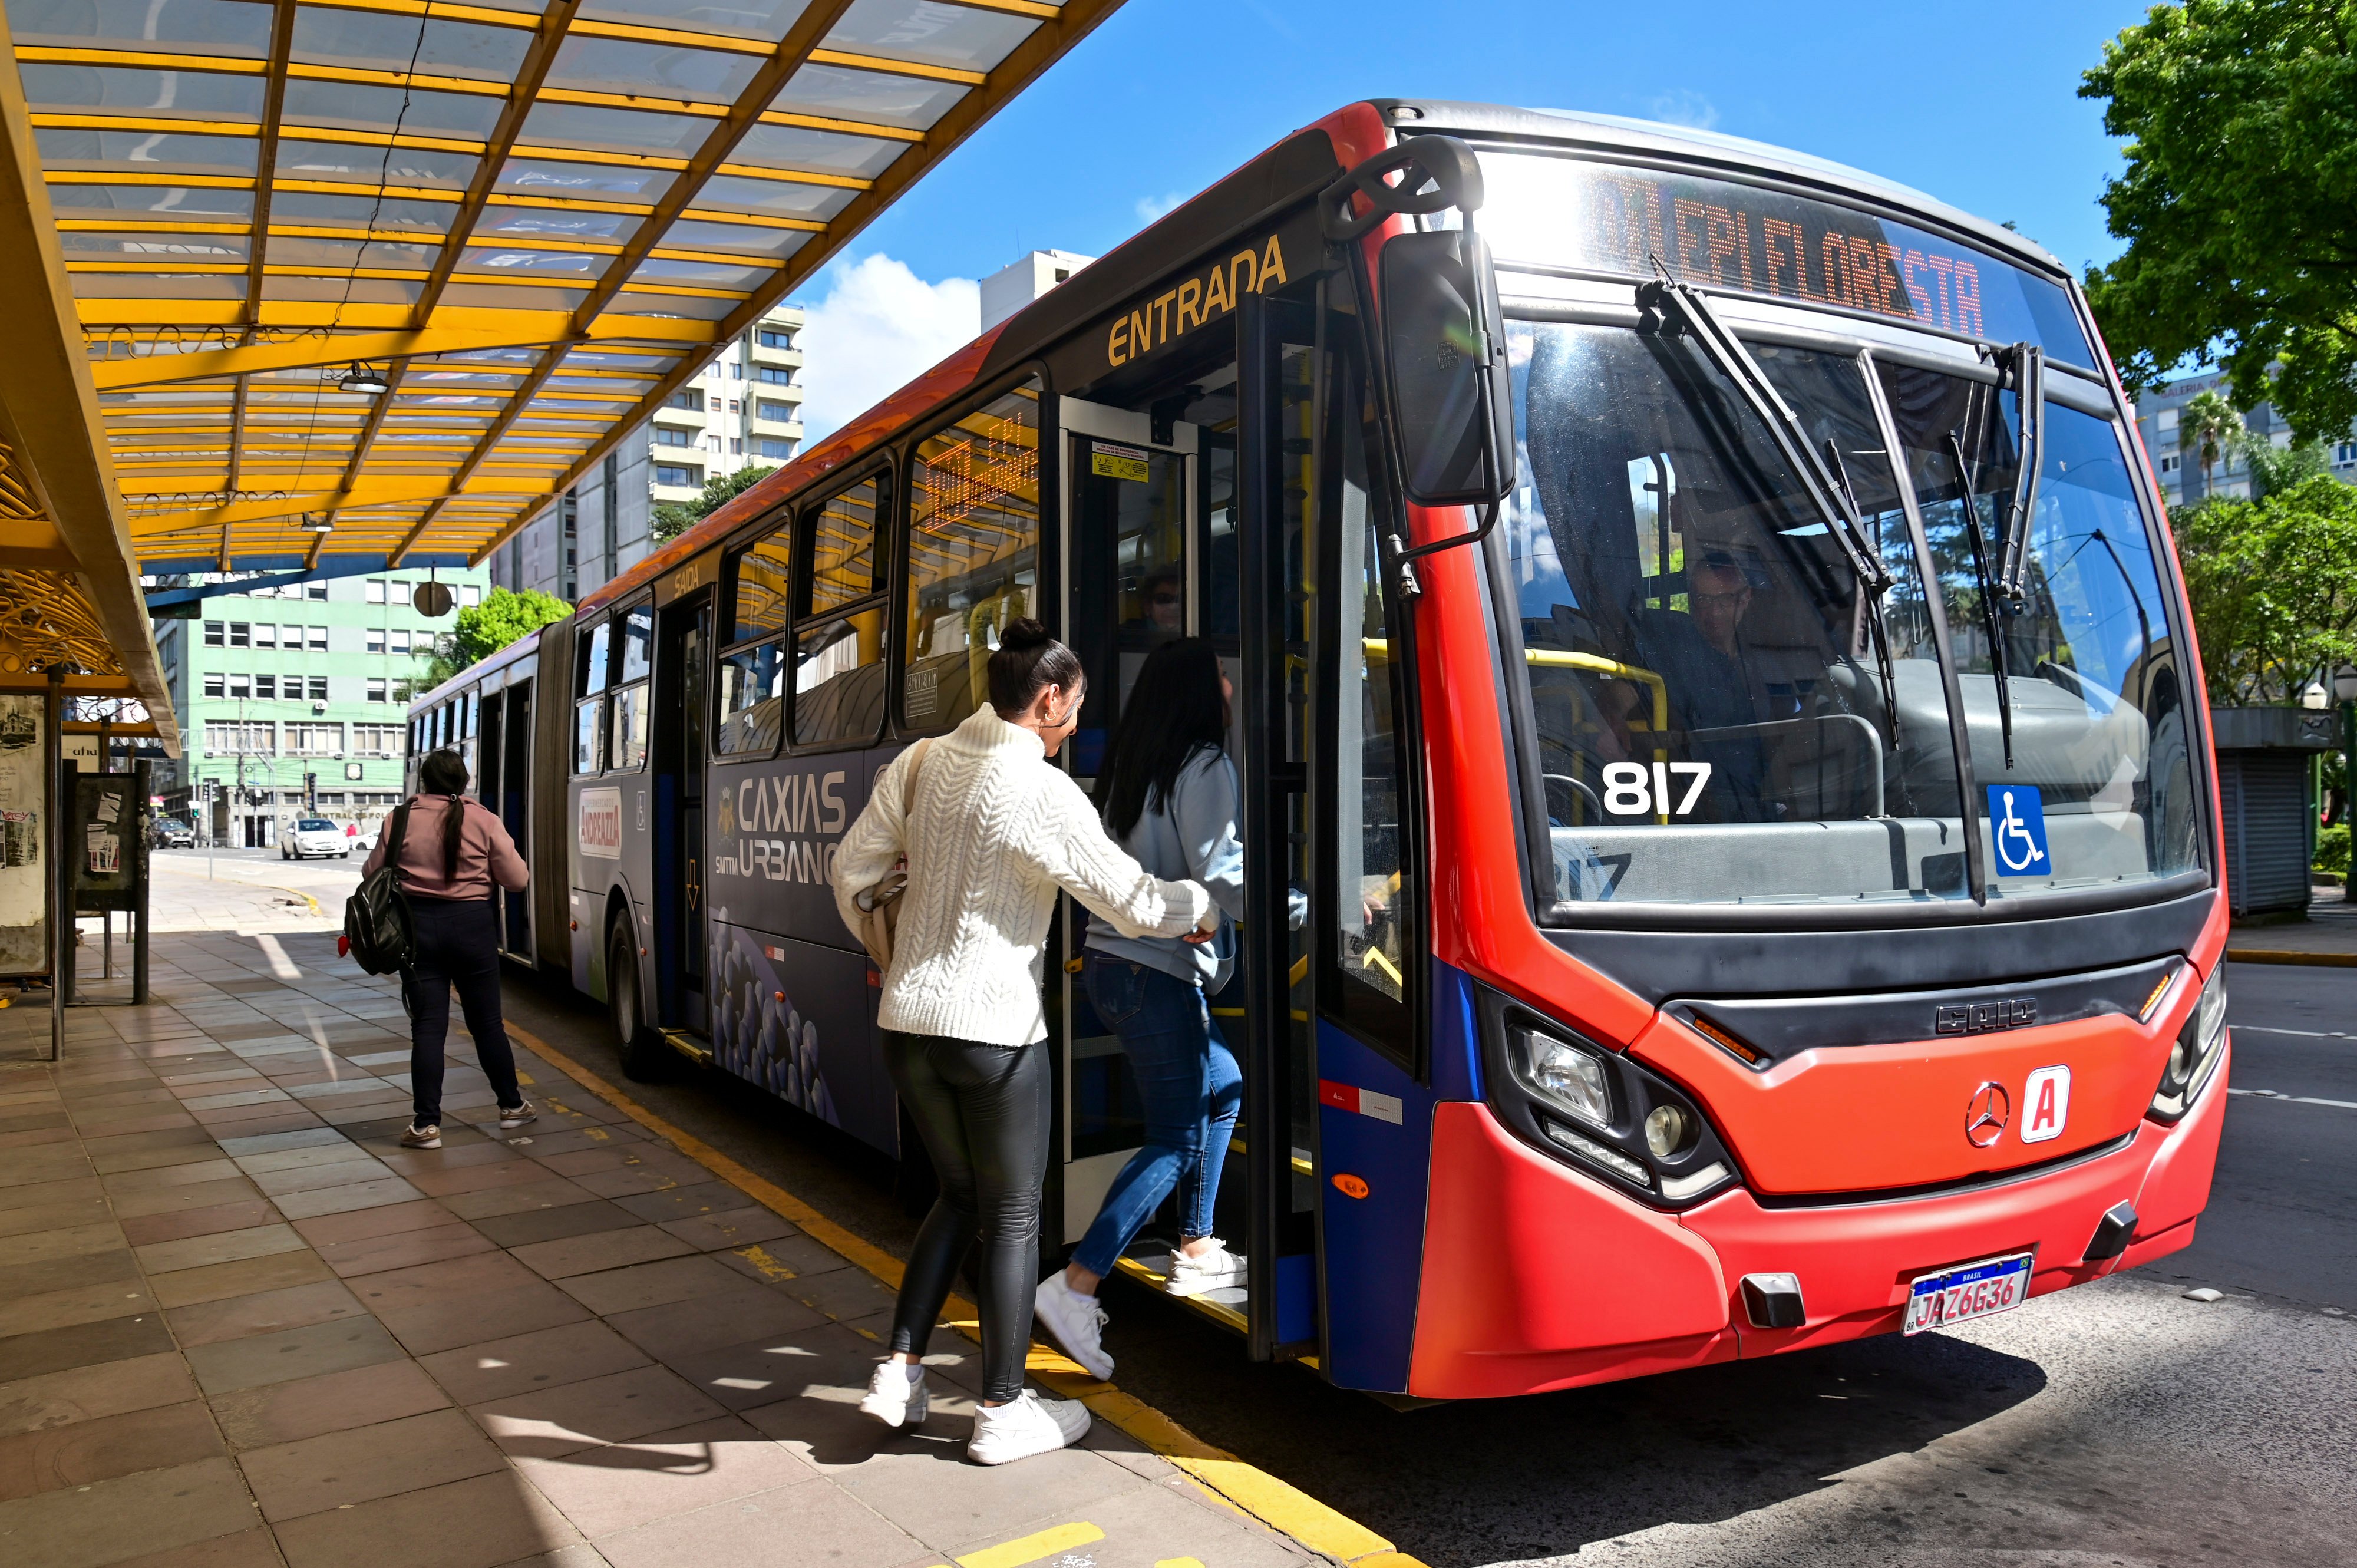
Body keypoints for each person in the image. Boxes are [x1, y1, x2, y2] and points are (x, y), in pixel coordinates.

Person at [831, 619, 1217, 1466]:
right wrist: (1207, 906)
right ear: (1047, 700)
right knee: (1013, 1217)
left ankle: (898, 1369)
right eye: (1074, 709)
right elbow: (1138, 905)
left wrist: (900, 959)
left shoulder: (921, 762)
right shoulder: (1044, 792)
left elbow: (854, 874)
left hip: (908, 1028)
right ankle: (1003, 1407)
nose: (1076, 724)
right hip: (995, 1035)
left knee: (958, 1198)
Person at [1034, 639, 1267, 1381]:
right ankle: (1076, 1286)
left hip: (1114, 965)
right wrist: (1318, 906)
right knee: (1173, 1136)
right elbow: (1225, 877)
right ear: (1200, 694)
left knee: (1222, 1086)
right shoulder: (1203, 765)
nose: (1230, 687)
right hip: (1155, 971)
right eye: (1221, 678)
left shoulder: (1135, 766)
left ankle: (1195, 1246)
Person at [362, 749, 533, 1151]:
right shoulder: (483, 819)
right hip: (473, 927)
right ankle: (511, 1106)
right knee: (487, 1023)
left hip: (418, 930)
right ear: (464, 781)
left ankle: (426, 1125)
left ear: (424, 781)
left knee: (427, 1027)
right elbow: (518, 879)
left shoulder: (400, 819)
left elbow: (371, 873)